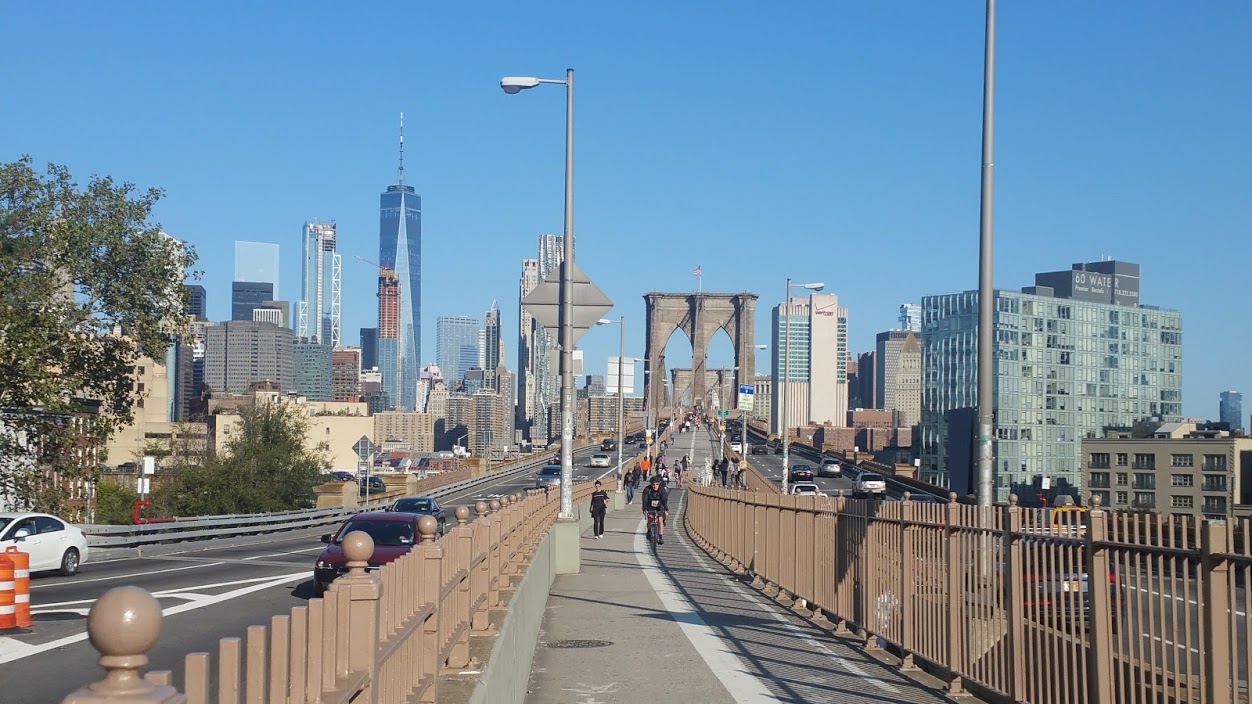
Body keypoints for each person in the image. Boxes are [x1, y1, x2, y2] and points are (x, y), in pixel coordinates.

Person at [641, 475, 669, 545]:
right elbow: (645, 500)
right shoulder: (647, 490)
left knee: (660, 520)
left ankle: (660, 538)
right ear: (651, 484)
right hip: (650, 506)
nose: (655, 486)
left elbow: (664, 499)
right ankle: (649, 530)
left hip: (659, 506)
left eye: (657, 484)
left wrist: (666, 509)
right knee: (650, 519)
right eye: (653, 484)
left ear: (659, 484)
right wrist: (644, 509)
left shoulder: (662, 490)